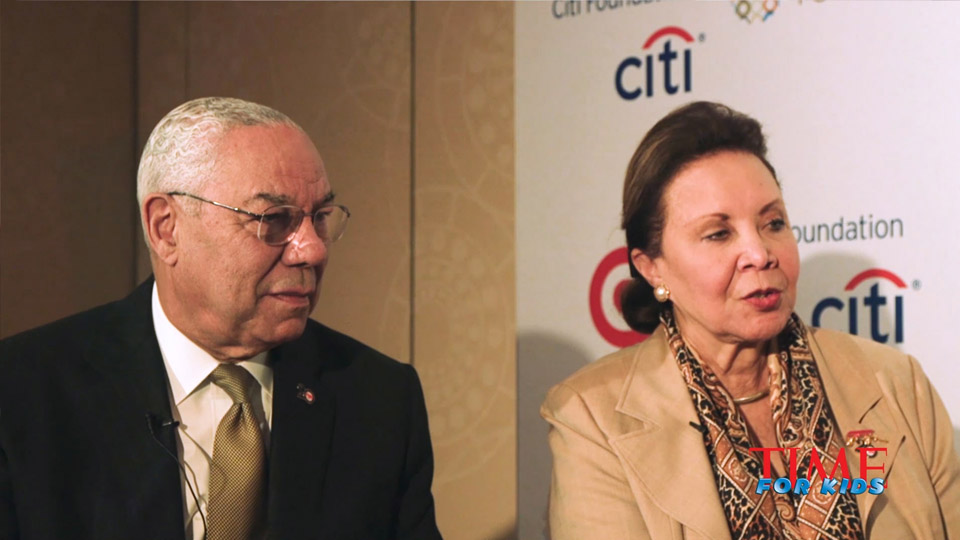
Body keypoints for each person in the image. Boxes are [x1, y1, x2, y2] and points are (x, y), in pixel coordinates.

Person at [0, 97, 443, 540]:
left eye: (320, 217)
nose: (312, 250)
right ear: (166, 228)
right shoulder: (23, 391)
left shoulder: (379, 400)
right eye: (274, 219)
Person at [541, 101, 960, 539]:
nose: (760, 253)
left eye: (773, 223)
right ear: (652, 268)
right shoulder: (591, 418)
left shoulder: (896, 383)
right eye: (718, 234)